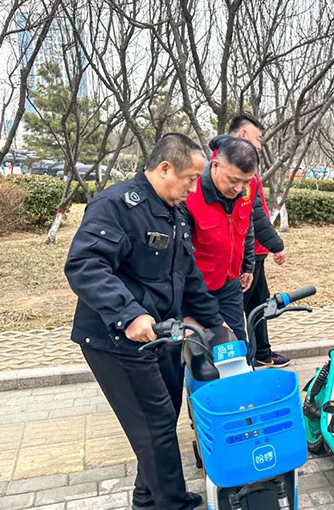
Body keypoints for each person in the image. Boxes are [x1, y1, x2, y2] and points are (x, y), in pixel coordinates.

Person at [64, 133, 223, 510]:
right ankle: (172, 504)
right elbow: (85, 265)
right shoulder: (116, 205)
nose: (192, 189)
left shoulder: (175, 213)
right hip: (116, 339)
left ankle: (148, 499)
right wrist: (129, 314)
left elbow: (188, 275)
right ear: (165, 168)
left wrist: (217, 325)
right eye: (189, 179)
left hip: (161, 335)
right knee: (156, 427)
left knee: (162, 422)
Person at [228, 113, 290, 368]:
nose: (260, 145)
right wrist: (277, 245)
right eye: (259, 138)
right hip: (246, 256)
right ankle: (243, 360)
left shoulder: (246, 168)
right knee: (239, 309)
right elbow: (253, 216)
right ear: (243, 134)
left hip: (256, 252)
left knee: (259, 304)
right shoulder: (234, 171)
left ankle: (262, 352)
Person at [182, 136, 259, 342]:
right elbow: (179, 255)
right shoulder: (190, 193)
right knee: (200, 347)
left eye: (246, 181)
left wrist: (248, 265)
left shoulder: (247, 189)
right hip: (195, 288)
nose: (239, 188)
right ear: (215, 165)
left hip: (229, 285)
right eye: (233, 180)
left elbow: (246, 225)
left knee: (238, 344)